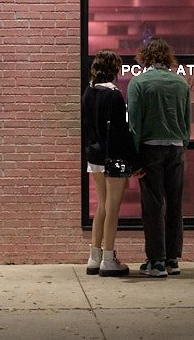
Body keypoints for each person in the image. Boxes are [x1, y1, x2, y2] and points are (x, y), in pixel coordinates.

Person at [127, 37, 191, 278]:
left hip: (150, 149)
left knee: (153, 205)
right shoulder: (181, 83)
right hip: (175, 148)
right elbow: (186, 121)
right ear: (167, 57)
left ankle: (156, 261)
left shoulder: (139, 83)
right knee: (175, 203)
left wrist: (134, 158)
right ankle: (173, 259)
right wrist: (181, 145)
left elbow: (134, 124)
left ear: (144, 57)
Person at [81, 49, 145, 277]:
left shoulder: (88, 92)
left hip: (95, 156)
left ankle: (93, 258)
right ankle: (109, 259)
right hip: (114, 157)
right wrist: (135, 161)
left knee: (101, 205)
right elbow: (122, 133)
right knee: (113, 209)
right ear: (113, 69)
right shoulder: (115, 95)